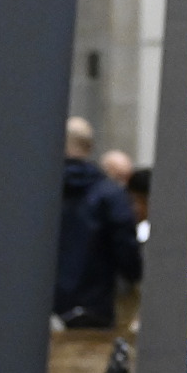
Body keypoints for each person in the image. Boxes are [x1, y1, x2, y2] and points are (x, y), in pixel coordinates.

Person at [54, 117, 140, 329]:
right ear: (90, 147)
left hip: (43, 307)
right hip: (95, 307)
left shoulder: (38, 192)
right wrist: (136, 276)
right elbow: (125, 247)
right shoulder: (110, 194)